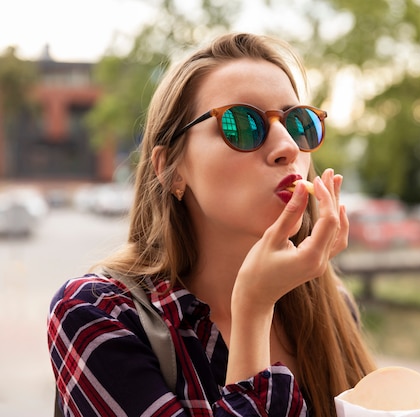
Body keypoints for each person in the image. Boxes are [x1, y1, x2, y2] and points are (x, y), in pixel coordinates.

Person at [47, 32, 377, 417]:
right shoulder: (98, 314)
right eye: (243, 124)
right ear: (170, 170)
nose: (287, 146)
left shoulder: (332, 303)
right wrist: (254, 307)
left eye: (297, 122)